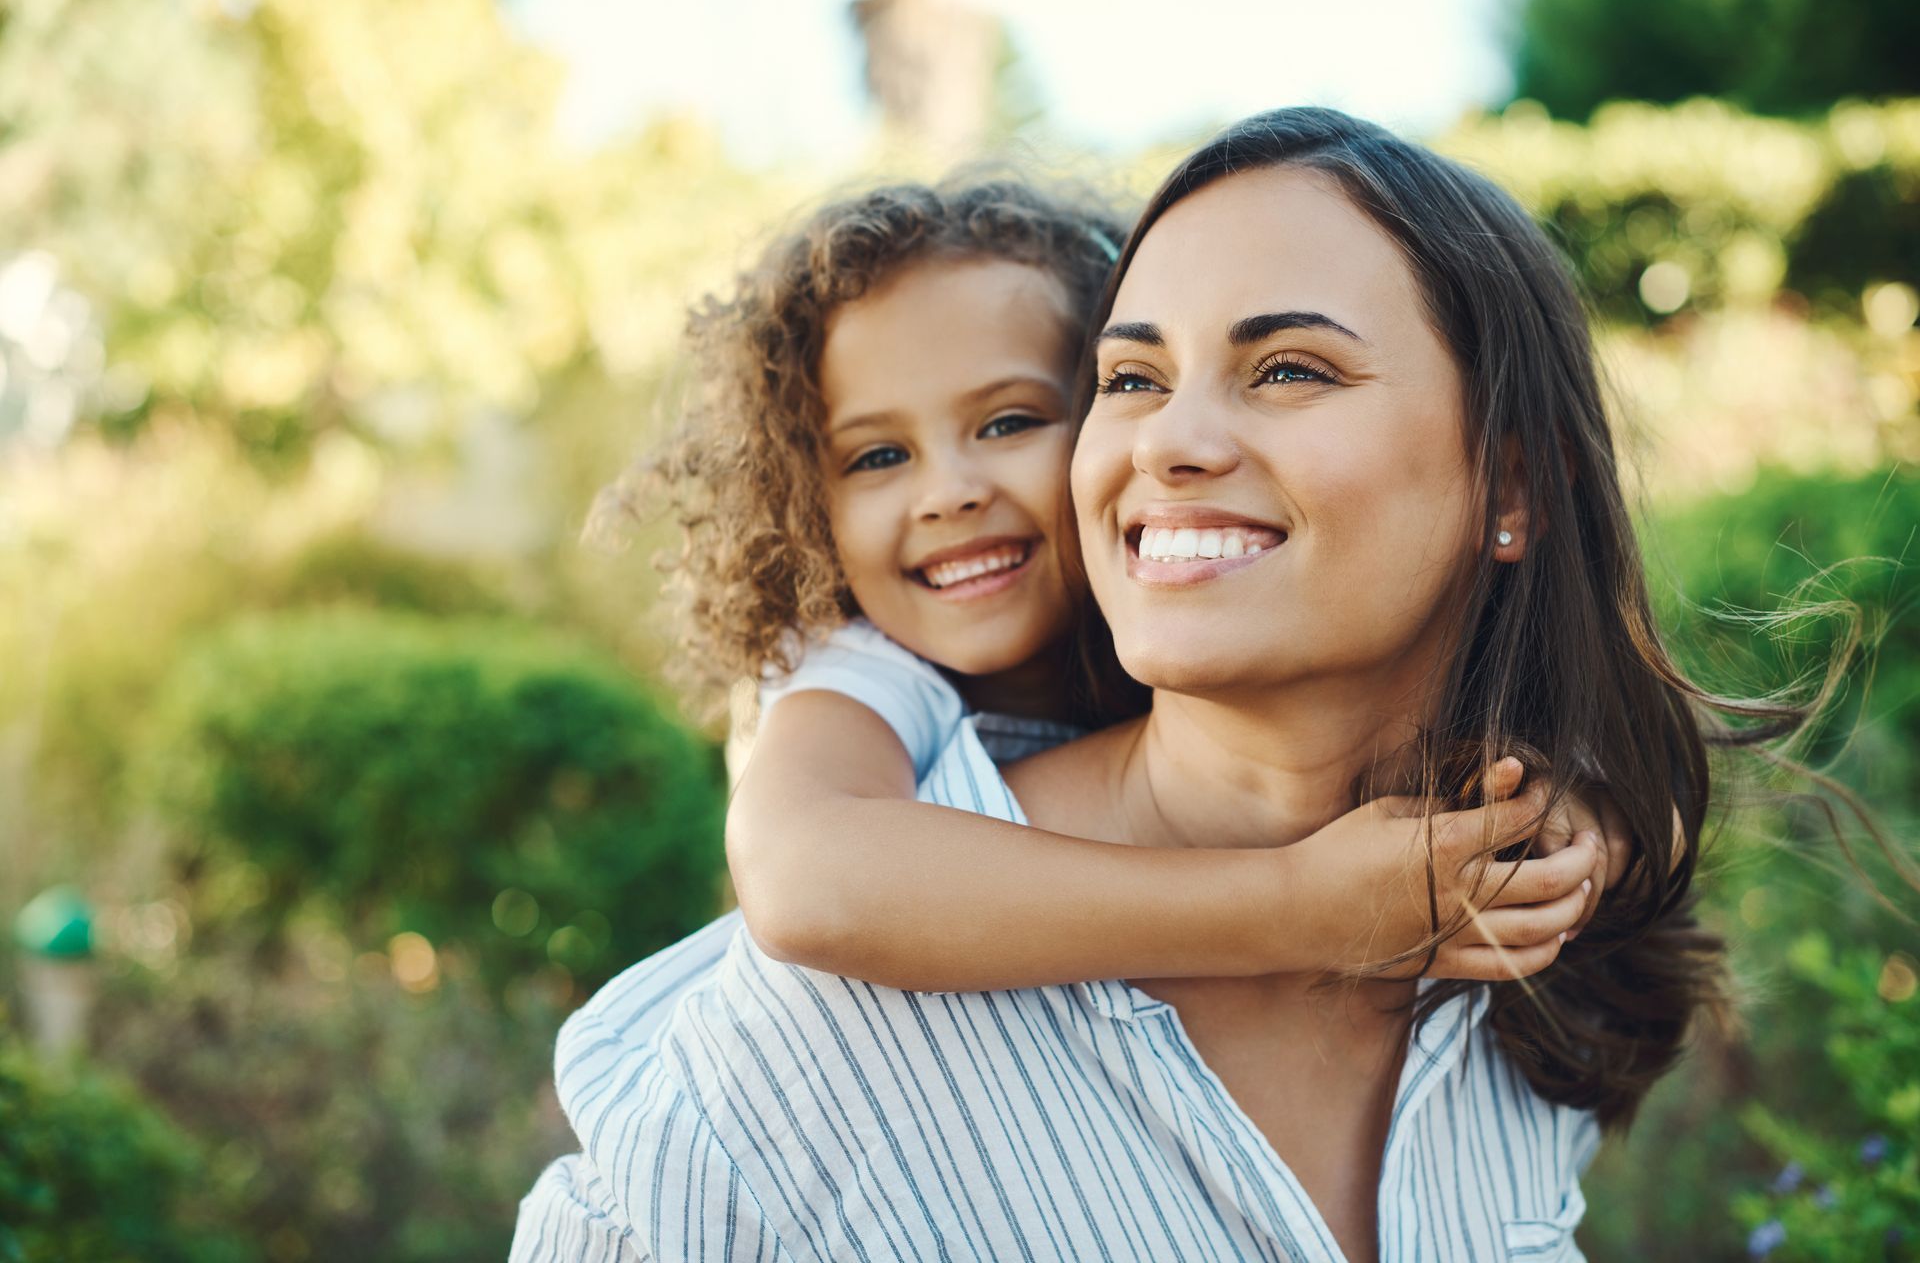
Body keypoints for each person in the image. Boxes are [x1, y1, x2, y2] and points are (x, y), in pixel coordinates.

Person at [513, 112, 1725, 1261]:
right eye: (1135, 379)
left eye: (1290, 368)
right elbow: (805, 870)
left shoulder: (1514, 939)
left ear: (1514, 489)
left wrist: (1584, 836)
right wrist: (1296, 904)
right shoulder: (819, 1026)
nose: (1165, 442)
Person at [609, 176, 1612, 1000]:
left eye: (1007, 424)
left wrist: (1539, 823)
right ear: (805, 501)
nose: (949, 493)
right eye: (876, 455)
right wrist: (1299, 907)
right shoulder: (861, 675)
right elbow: (807, 883)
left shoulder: (1189, 629)